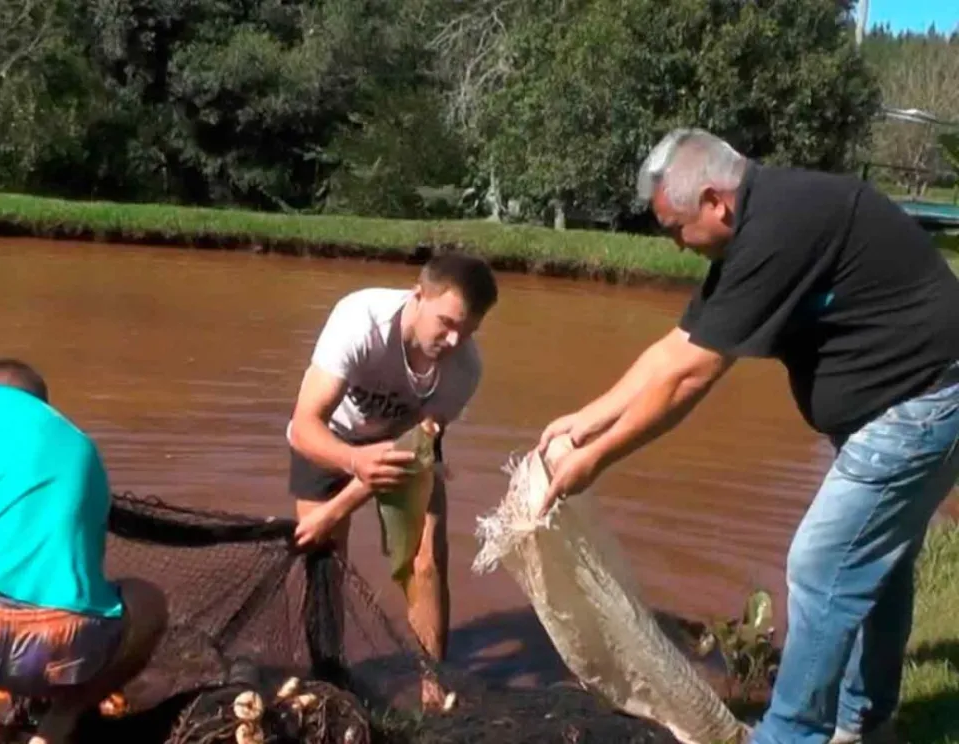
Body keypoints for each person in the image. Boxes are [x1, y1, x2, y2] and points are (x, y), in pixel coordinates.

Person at [536, 129, 959, 744]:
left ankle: (790, 735)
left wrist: (595, 461)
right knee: (875, 565)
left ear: (716, 202)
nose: (675, 244)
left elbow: (690, 379)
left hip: (924, 401)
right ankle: (867, 721)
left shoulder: (777, 230)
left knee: (820, 566)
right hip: (901, 403)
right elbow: (675, 348)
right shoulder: (756, 224)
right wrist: (588, 417)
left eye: (675, 227)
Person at [286, 253, 498, 711]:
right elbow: (304, 427)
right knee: (326, 562)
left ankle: (431, 683)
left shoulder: (465, 368)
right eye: (446, 322)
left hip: (403, 446)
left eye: (468, 330)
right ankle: (330, 677)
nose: (454, 339)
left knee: (426, 562)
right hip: (330, 437)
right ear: (417, 295)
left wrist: (340, 505)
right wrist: (349, 466)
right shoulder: (360, 321)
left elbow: (411, 449)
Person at [0, 360, 168, 744]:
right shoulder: (78, 444)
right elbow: (85, 570)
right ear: (45, 406)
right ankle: (59, 722)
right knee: (149, 603)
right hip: (65, 643)